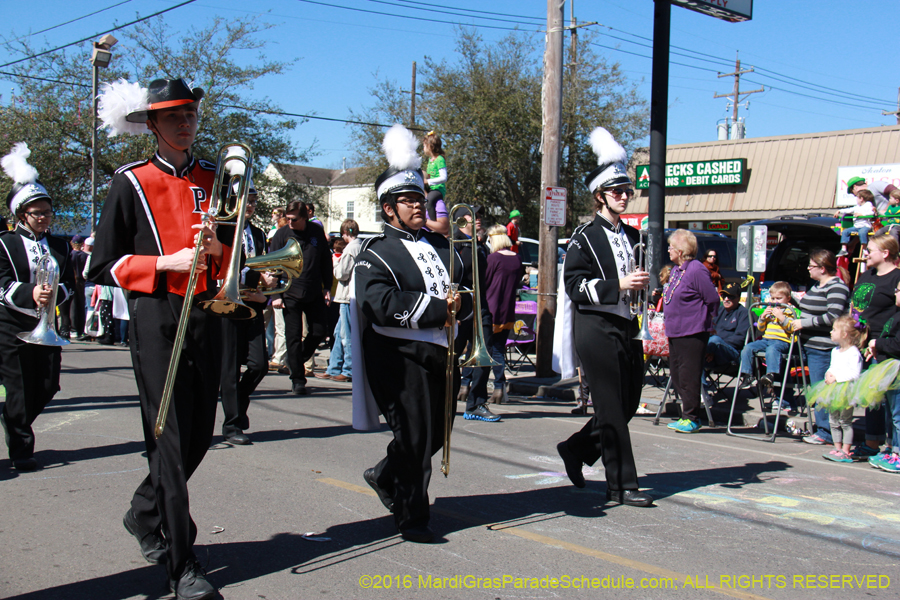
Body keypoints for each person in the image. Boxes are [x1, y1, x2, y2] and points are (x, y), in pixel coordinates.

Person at [90, 77, 228, 599]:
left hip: (207, 315)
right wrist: (164, 262)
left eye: (189, 113)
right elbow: (101, 265)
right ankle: (181, 562)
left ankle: (144, 512)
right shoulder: (130, 180)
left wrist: (225, 249)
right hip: (156, 318)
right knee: (168, 444)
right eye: (173, 116)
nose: (185, 122)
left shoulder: (219, 176)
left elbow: (235, 246)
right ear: (151, 123)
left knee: (198, 436)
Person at [352, 124, 472, 542]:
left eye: (421, 197)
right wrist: (441, 310)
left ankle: (385, 475)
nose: (420, 204)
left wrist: (463, 305)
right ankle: (412, 515)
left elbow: (465, 289)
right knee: (416, 438)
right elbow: (380, 304)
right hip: (399, 356)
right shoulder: (375, 254)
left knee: (438, 434)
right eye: (409, 199)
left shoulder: (442, 247)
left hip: (442, 354)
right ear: (389, 209)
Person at [552, 126, 652, 507]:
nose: (624, 196)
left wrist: (641, 288)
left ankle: (576, 449)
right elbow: (575, 285)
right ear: (600, 196)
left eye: (627, 191)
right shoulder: (584, 236)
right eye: (617, 192)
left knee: (626, 406)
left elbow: (632, 279)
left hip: (626, 325)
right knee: (610, 406)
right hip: (595, 326)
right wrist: (619, 284)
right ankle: (623, 485)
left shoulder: (630, 235)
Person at [0, 142, 73, 472]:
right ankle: (21, 448)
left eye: (47, 212)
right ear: (20, 215)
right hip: (10, 325)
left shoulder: (59, 245)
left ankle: (14, 420)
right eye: (37, 213)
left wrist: (54, 295)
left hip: (45, 323)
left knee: (47, 385)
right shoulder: (5, 242)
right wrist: (30, 293)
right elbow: (1, 284)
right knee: (17, 387)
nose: (44, 218)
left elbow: (71, 283)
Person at [841, 232, 900, 457]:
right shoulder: (867, 276)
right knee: (869, 398)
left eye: (869, 250)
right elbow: (855, 306)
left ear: (885, 253)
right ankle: (871, 443)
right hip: (860, 342)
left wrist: (881, 342)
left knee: (886, 400)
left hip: (883, 345)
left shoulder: (897, 278)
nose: (864, 253)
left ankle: (892, 447)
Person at [219, 183, 268, 445]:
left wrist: (267, 292)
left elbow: (260, 269)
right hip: (226, 304)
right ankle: (232, 425)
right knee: (229, 368)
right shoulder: (223, 230)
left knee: (259, 365)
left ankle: (238, 401)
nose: (249, 206)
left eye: (252, 201)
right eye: (245, 201)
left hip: (251, 304)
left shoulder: (258, 234)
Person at [269, 200, 333, 396]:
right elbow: (274, 265)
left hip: (313, 290)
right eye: (286, 219)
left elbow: (325, 260)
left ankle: (295, 359)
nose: (289, 222)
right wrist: (277, 295)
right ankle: (298, 379)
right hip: (289, 292)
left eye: (294, 219)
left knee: (319, 331)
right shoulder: (282, 235)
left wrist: (327, 287)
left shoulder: (315, 232)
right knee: (293, 336)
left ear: (304, 217)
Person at [786, 249, 850, 445]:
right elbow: (809, 307)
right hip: (808, 343)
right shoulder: (817, 285)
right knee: (814, 387)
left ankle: (826, 432)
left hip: (823, 346)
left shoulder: (837, 287)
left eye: (811, 266)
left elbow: (833, 316)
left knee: (821, 389)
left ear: (822, 268)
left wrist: (805, 323)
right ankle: (820, 427)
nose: (808, 268)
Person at [664, 229, 720, 434]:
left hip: (692, 331)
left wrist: (707, 320)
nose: (668, 250)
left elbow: (712, 298)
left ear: (680, 250)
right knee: (677, 374)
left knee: (689, 375)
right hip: (675, 331)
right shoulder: (678, 270)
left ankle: (692, 417)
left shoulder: (696, 269)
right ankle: (685, 415)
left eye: (671, 247)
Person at [456, 209, 500, 421]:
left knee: (485, 355)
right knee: (451, 356)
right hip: (460, 307)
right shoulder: (454, 244)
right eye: (474, 215)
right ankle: (442, 398)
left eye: (480, 214)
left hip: (480, 307)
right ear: (462, 219)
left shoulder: (480, 245)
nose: (479, 218)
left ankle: (476, 404)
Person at [806, 315, 865, 463]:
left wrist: (836, 377)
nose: (831, 332)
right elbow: (833, 366)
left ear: (844, 334)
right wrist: (829, 374)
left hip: (845, 391)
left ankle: (846, 450)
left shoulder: (853, 352)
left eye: (834, 330)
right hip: (833, 390)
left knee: (845, 421)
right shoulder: (835, 351)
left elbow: (854, 374)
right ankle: (837, 447)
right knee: (833, 420)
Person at [738, 281, 798, 412]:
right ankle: (747, 375)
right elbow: (760, 328)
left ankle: (770, 374)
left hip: (781, 341)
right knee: (748, 348)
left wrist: (781, 317)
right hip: (767, 339)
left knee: (772, 350)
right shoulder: (769, 310)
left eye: (779, 298)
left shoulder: (789, 311)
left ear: (788, 298)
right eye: (773, 298)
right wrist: (763, 317)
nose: (776, 301)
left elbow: (791, 329)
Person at [482, 224, 523, 408]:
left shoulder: (492, 258)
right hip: (508, 310)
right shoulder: (517, 259)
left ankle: (473, 388)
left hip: (490, 310)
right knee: (499, 350)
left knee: (485, 350)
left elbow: (485, 282)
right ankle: (499, 387)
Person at [861, 286, 900, 473]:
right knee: (891, 415)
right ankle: (892, 450)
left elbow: (898, 344)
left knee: (898, 416)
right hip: (889, 368)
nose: (895, 293)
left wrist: (878, 343)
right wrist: (874, 347)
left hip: (897, 369)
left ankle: (898, 455)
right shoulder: (896, 313)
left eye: (899, 290)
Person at [319, 219, 361, 382]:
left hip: (347, 296)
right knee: (338, 333)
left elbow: (341, 273)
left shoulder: (351, 248)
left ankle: (348, 369)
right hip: (347, 296)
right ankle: (334, 367)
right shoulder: (360, 246)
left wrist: (335, 265)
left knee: (346, 335)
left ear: (344, 234)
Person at [703, 281, 750, 403]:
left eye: (731, 297)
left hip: (732, 355)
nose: (726, 299)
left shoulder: (744, 313)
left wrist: (714, 348)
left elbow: (740, 339)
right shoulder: (719, 311)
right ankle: (703, 394)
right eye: (724, 296)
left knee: (715, 340)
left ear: (738, 298)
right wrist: (712, 349)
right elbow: (709, 331)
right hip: (713, 352)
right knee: (695, 357)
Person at [422, 131, 450, 236]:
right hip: (431, 187)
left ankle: (434, 226)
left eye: (424, 146)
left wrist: (427, 181)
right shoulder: (430, 160)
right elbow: (430, 175)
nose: (423, 148)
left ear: (430, 146)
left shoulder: (440, 160)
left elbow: (443, 177)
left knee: (429, 201)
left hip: (438, 189)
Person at [835, 188, 876, 257]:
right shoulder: (857, 207)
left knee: (862, 233)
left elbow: (871, 213)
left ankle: (864, 248)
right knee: (845, 232)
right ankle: (844, 249)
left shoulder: (868, 205)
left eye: (857, 198)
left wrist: (862, 214)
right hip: (856, 227)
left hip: (865, 226)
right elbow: (849, 210)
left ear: (861, 199)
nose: (856, 199)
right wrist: (839, 211)